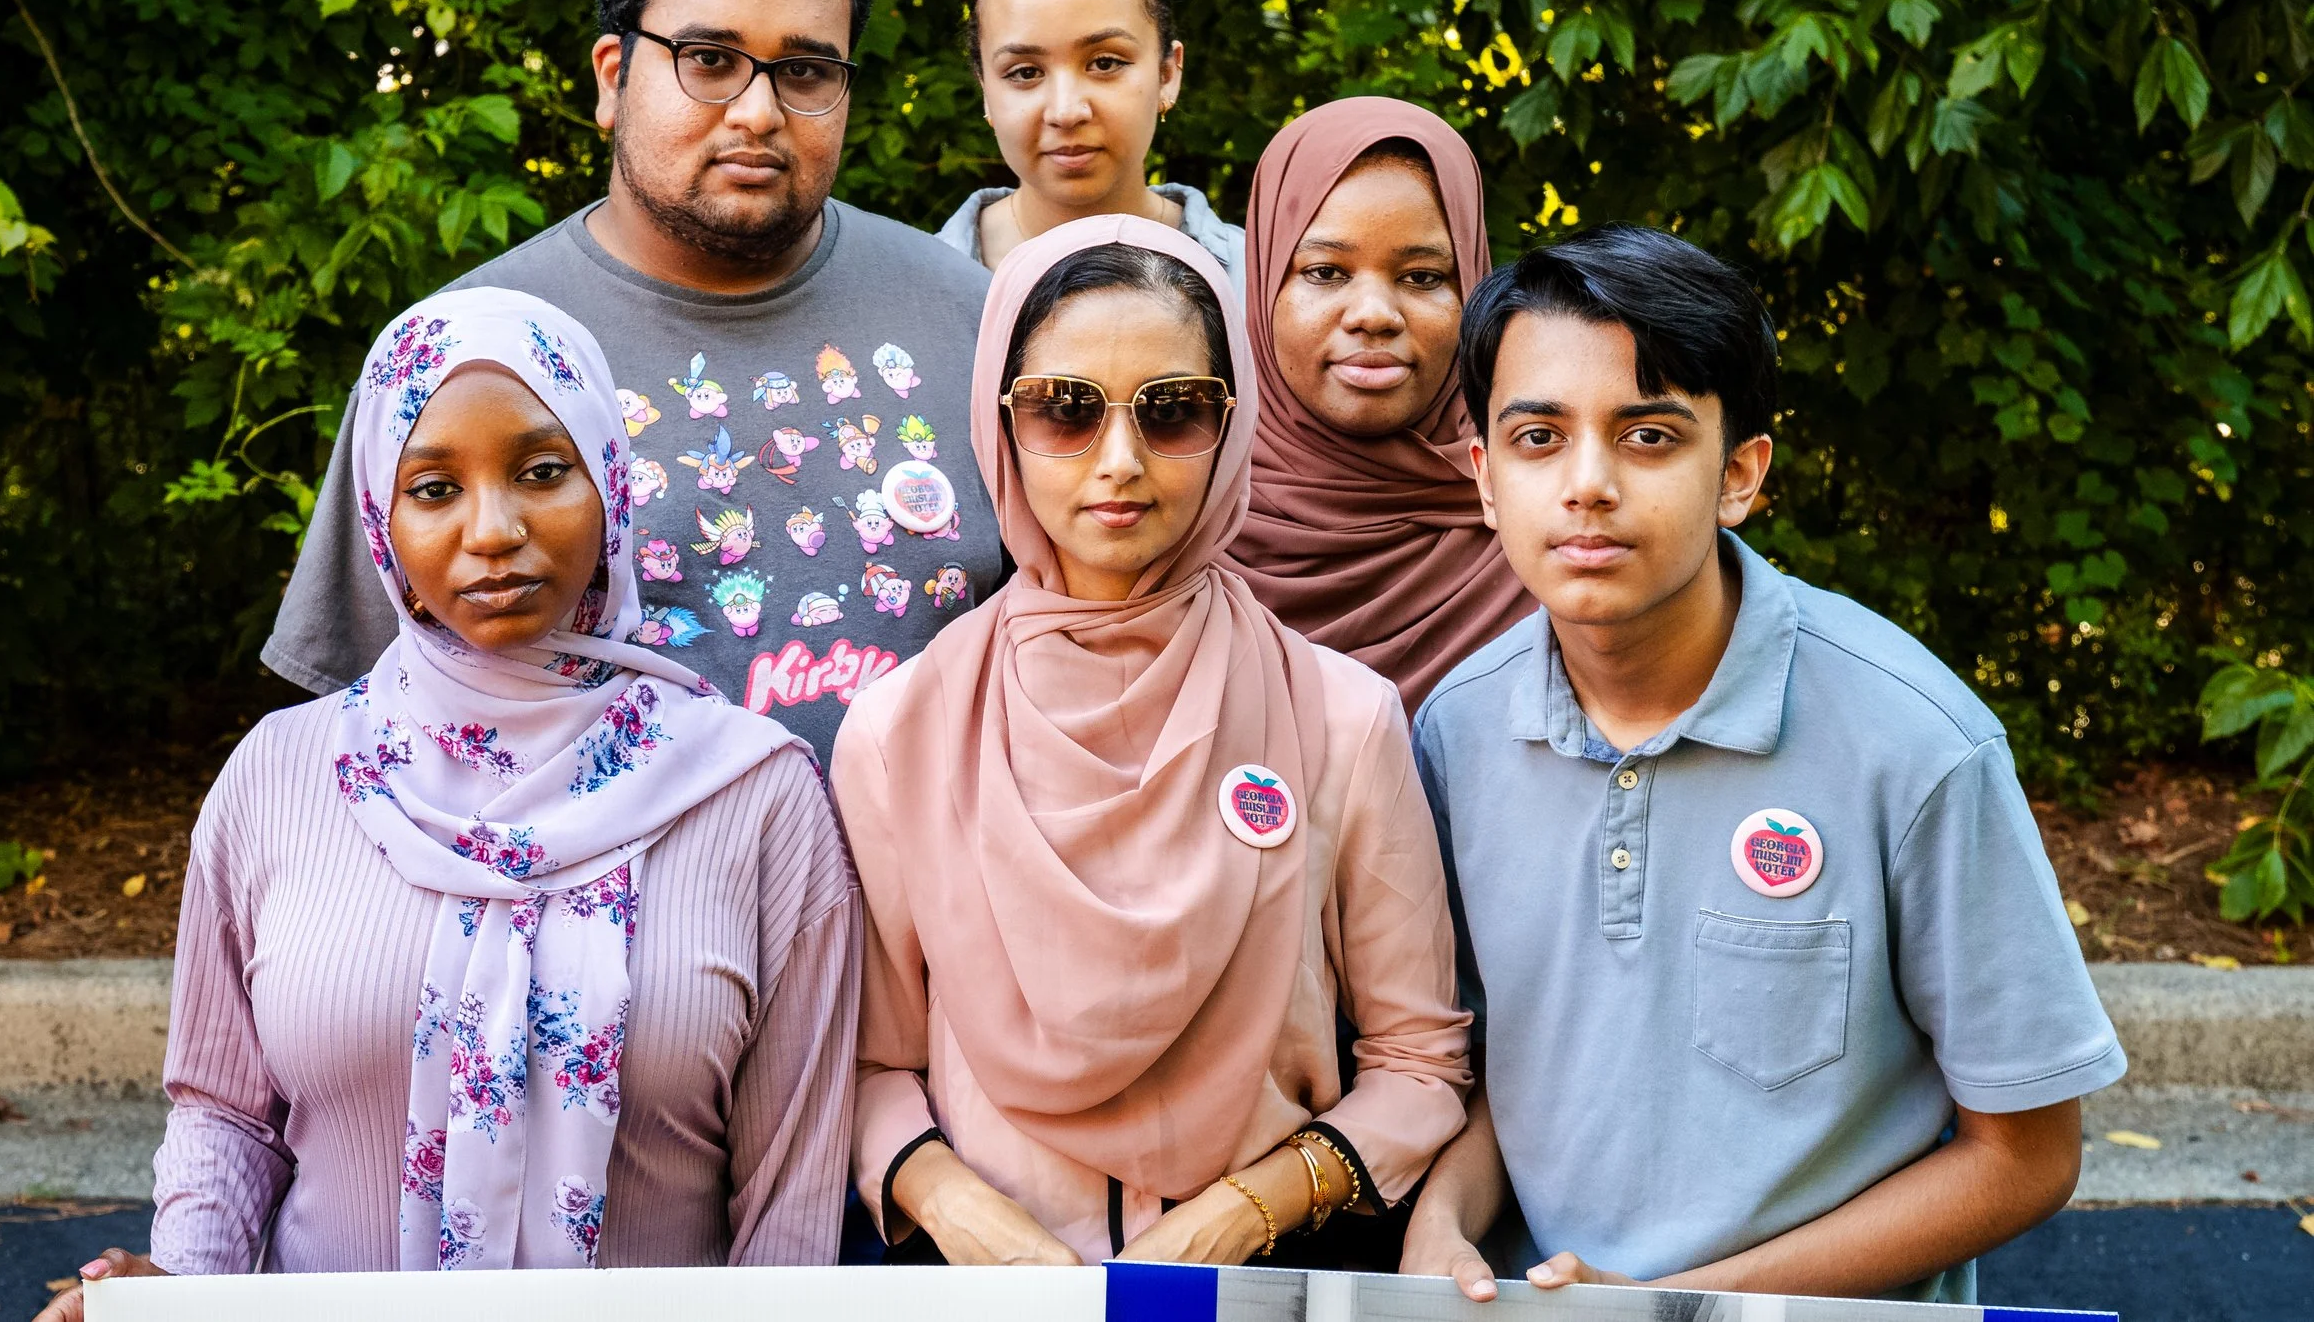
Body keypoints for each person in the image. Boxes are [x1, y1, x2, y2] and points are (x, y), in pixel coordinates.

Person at [35, 291, 857, 1318]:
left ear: (608, 482)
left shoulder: (755, 793)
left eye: (542, 471)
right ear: (382, 520)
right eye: (433, 487)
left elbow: (792, 1183)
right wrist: (183, 1292)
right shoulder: (280, 776)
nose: (495, 529)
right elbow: (225, 1111)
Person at [1400, 227, 2124, 1303]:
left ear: (1739, 472)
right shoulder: (1456, 729)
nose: (1587, 483)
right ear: (1485, 476)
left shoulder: (1914, 740)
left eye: (1647, 436)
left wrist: (1692, 1304)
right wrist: (1441, 1224)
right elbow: (1511, 1071)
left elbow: (2024, 1153)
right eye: (1539, 436)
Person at [832, 216, 1470, 1269]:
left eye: (1172, 411)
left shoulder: (1340, 717)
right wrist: (954, 1206)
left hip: (1261, 1282)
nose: (1118, 461)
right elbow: (868, 1060)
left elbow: (1419, 1059)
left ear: (1232, 425)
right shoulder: (903, 731)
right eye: (1063, 409)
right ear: (999, 419)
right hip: (993, 1293)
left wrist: (1252, 1206)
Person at [263, 0, 1004, 755]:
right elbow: (356, 735)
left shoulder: (975, 319)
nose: (760, 111)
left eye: (806, 70)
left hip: (930, 893)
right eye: (710, 61)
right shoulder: (457, 359)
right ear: (613, 77)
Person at [1224, 97, 1533, 713]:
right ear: (1262, 288)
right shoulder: (1182, 514)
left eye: (1422, 278)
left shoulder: (1542, 518)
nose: (1373, 315)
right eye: (1325, 272)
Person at [936, 0, 1244, 288]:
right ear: (985, 89)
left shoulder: (1262, 288)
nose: (1066, 112)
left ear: (1168, 73)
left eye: (1105, 63)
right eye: (1025, 72)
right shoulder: (915, 292)